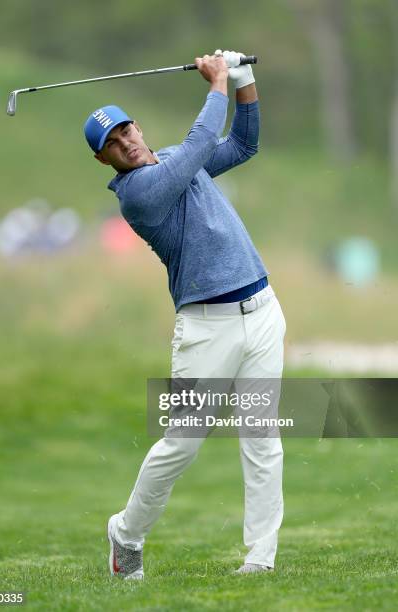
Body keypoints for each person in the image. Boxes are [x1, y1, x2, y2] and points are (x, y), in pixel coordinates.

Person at [84, 50, 286, 580]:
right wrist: (216, 82)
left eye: (126, 129)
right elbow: (200, 144)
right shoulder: (139, 194)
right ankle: (125, 534)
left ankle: (260, 560)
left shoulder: (175, 159)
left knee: (263, 438)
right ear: (105, 161)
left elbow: (244, 144)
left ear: (138, 126)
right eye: (113, 143)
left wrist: (244, 79)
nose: (127, 141)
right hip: (206, 328)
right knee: (181, 443)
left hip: (262, 310)